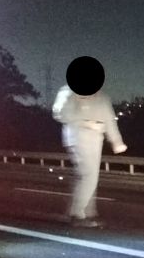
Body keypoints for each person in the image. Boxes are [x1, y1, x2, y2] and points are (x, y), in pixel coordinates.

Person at [52, 83, 127, 227]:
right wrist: (86, 123)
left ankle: (88, 212)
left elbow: (109, 120)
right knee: (88, 175)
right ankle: (77, 214)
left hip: (96, 139)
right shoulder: (69, 91)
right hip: (78, 136)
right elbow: (60, 113)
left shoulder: (102, 97)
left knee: (90, 176)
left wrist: (116, 141)